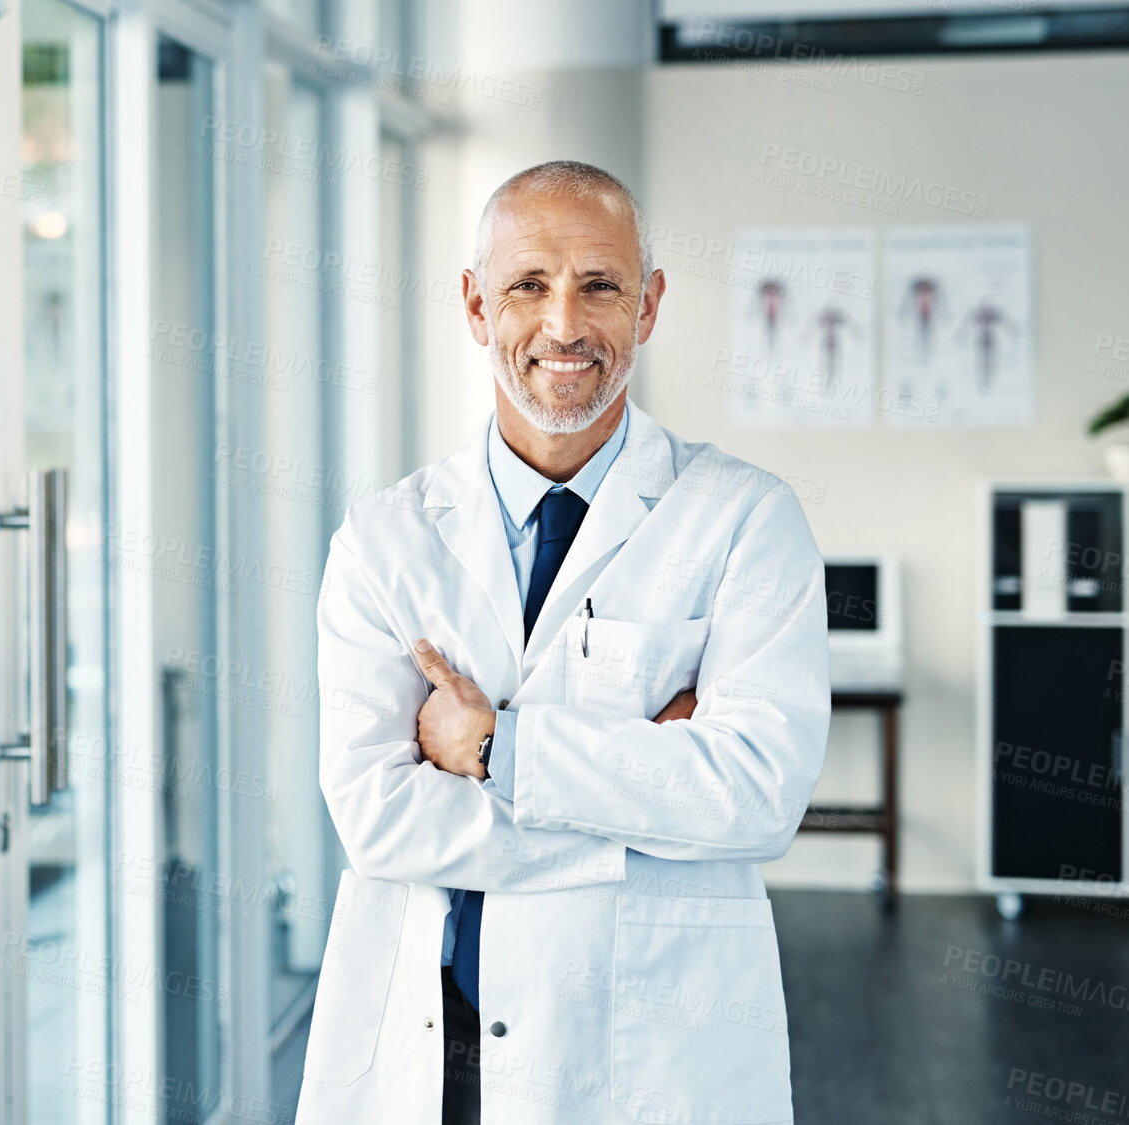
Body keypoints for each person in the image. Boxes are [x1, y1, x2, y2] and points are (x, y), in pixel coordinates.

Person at [295, 161, 830, 1125]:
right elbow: (377, 819)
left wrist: (495, 747)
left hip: (652, 1051)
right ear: (473, 304)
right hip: (433, 1039)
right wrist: (650, 801)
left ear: (650, 305)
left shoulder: (748, 520)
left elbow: (757, 795)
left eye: (600, 285)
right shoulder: (383, 537)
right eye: (528, 285)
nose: (564, 326)